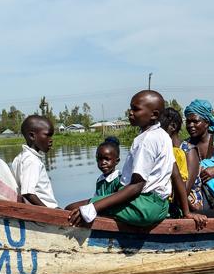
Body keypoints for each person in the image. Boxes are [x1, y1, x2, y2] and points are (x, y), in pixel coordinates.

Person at [67, 91, 175, 228]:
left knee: (71, 208)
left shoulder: (146, 140)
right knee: (95, 204)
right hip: (161, 206)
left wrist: (93, 207)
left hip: (143, 207)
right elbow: (175, 173)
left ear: (154, 115)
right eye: (131, 108)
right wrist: (187, 212)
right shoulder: (164, 136)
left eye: (136, 109)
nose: (130, 112)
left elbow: (136, 187)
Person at [160, 107, 207, 227]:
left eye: (160, 127)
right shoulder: (162, 148)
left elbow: (185, 189)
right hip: (168, 198)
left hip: (189, 203)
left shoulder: (188, 151)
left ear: (173, 127)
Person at [10, 115, 58, 208]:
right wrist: (49, 212)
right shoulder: (32, 161)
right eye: (47, 135)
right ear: (32, 136)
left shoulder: (19, 158)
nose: (51, 140)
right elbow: (28, 193)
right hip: (46, 211)